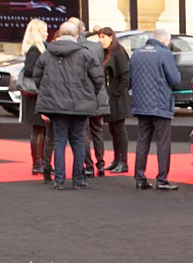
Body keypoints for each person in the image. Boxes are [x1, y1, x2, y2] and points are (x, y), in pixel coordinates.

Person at [33, 20, 103, 190]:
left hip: (56, 105)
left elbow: (37, 77)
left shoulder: (47, 54)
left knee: (59, 141)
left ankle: (59, 180)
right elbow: (98, 78)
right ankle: (78, 179)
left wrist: (49, 93)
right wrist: (89, 94)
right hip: (80, 104)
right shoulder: (85, 54)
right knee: (78, 140)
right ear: (76, 35)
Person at [130, 28, 180, 191]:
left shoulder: (136, 53)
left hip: (140, 104)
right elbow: (175, 79)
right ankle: (162, 179)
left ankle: (139, 178)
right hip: (160, 104)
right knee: (163, 142)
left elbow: (130, 79)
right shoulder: (165, 54)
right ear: (165, 40)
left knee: (142, 141)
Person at [74, 19, 109, 177]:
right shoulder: (97, 47)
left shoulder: (75, 48)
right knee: (97, 131)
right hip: (98, 94)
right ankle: (100, 164)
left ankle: (88, 166)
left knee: (84, 133)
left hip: (82, 96)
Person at [19, 19, 52, 179]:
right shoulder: (35, 50)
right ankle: (37, 163)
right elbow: (29, 71)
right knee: (38, 129)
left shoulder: (42, 48)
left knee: (42, 129)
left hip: (39, 94)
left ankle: (42, 162)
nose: (47, 33)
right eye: (44, 30)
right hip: (34, 95)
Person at [98, 27, 131, 172]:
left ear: (111, 37)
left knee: (119, 130)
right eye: (100, 37)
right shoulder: (107, 53)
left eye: (104, 37)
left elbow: (125, 76)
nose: (101, 40)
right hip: (110, 98)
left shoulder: (118, 52)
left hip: (118, 98)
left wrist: (116, 92)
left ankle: (123, 161)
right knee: (113, 130)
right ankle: (117, 159)